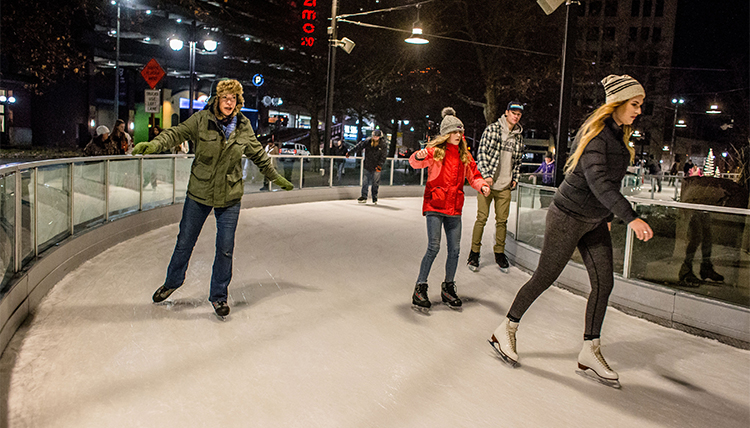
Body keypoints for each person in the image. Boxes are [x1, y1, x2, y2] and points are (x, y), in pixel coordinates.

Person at [488, 75, 654, 387]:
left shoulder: (619, 137)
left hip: (594, 220)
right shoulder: (597, 138)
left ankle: (590, 350)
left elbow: (608, 187)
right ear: (617, 104)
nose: (638, 110)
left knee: (604, 284)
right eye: (634, 104)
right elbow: (599, 182)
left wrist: (606, 214)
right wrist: (630, 217)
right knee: (545, 277)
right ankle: (505, 329)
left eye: (640, 105)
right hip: (567, 216)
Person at [131, 79, 294, 318]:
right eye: (225, 98)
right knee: (185, 242)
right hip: (200, 193)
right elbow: (176, 133)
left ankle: (219, 296)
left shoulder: (243, 126)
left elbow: (258, 154)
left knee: (225, 247)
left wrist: (275, 177)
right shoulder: (201, 120)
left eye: (234, 99)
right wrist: (155, 145)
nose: (230, 103)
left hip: (230, 196)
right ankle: (172, 282)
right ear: (217, 99)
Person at [409, 108, 490, 312]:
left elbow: (474, 175)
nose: (458, 135)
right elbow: (415, 163)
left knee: (454, 250)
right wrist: (418, 156)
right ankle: (420, 287)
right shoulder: (435, 151)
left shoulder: (464, 155)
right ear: (446, 133)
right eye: (454, 132)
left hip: (454, 208)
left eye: (460, 132)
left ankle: (448, 287)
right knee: (433, 247)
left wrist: (482, 186)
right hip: (435, 206)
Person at [467, 101, 525, 273]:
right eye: (513, 113)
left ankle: (499, 253)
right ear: (506, 112)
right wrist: (486, 176)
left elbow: (518, 161)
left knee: (502, 221)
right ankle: (474, 253)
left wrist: (515, 177)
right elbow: (482, 153)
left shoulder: (519, 136)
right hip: (488, 184)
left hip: (505, 186)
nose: (516, 116)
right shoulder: (492, 129)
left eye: (519, 114)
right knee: (481, 218)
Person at [347, 129, 388, 204]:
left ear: (379, 137)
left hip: (377, 167)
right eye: (374, 136)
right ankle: (364, 196)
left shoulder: (383, 144)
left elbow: (383, 156)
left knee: (375, 183)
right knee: (365, 182)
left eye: (376, 136)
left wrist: (380, 165)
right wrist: (350, 152)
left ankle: (374, 197)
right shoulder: (368, 141)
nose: (375, 138)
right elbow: (359, 146)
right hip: (367, 165)